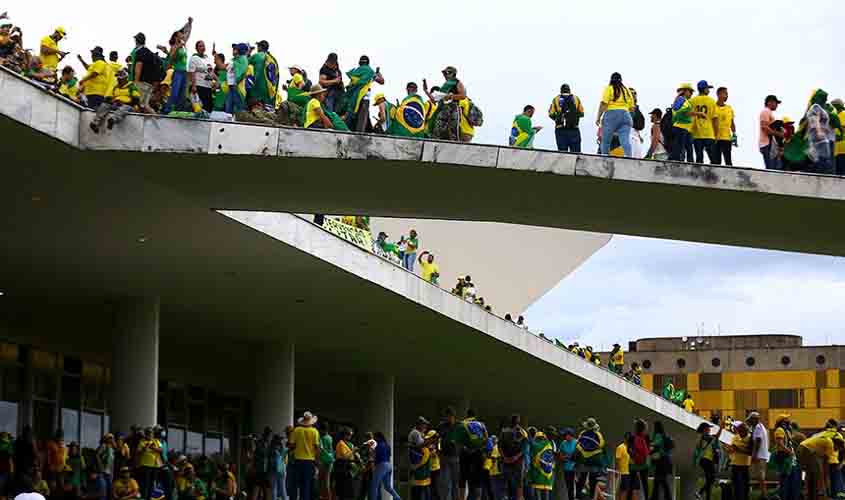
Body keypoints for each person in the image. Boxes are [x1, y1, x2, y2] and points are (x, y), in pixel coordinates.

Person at [89, 69, 140, 133]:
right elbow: (110, 97)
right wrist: (112, 101)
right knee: (105, 105)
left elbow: (136, 100)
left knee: (125, 108)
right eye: (117, 77)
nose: (118, 79)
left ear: (126, 78)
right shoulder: (116, 87)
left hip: (129, 105)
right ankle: (95, 123)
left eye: (120, 78)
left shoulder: (131, 87)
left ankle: (112, 120)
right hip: (116, 104)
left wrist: (124, 102)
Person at [425, 66, 469, 142]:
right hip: (442, 110)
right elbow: (434, 99)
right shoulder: (445, 85)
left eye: (447, 73)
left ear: (453, 74)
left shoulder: (457, 82)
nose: (445, 75)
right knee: (437, 133)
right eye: (444, 73)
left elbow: (463, 95)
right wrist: (426, 90)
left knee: (453, 134)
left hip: (452, 110)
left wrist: (451, 96)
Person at [596, 72, 635, 157]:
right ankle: (629, 157)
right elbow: (632, 108)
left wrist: (598, 118)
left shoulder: (609, 88)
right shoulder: (627, 91)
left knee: (606, 141)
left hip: (611, 115)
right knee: (625, 140)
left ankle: (605, 158)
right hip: (626, 115)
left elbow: (603, 104)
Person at [344, 56, 384, 132]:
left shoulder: (355, 72)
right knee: (362, 117)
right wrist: (378, 73)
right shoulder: (370, 72)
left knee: (354, 115)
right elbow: (382, 81)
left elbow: (351, 85)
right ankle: (360, 134)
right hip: (364, 98)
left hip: (353, 99)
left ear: (359, 63)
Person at [289, 411, 321, 500]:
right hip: (309, 462)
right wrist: (317, 462)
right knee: (306, 486)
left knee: (294, 485)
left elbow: (291, 445)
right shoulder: (315, 432)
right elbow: (317, 448)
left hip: (297, 460)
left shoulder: (296, 430)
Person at [130, 33, 161, 114]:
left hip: (141, 83)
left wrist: (135, 82)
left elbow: (138, 67)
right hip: (149, 83)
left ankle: (158, 121)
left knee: (138, 104)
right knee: (145, 105)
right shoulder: (150, 52)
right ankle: (156, 119)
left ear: (136, 41)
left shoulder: (139, 52)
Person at [159, 29, 188, 114]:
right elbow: (171, 58)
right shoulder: (174, 46)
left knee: (182, 95)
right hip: (178, 72)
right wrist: (177, 47)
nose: (182, 35)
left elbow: (188, 32)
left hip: (184, 72)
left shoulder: (183, 46)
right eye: (180, 33)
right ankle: (167, 110)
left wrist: (190, 24)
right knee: (174, 93)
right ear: (176, 36)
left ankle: (178, 111)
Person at [548, 84, 584, 152]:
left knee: (562, 154)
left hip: (560, 129)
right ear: (569, 90)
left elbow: (551, 114)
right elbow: (582, 113)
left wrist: (559, 118)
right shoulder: (576, 98)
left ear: (561, 91)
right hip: (574, 129)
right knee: (576, 153)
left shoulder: (556, 99)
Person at [669, 83, 701, 162]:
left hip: (685, 128)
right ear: (685, 91)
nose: (691, 94)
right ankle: (674, 162)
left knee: (688, 148)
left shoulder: (684, 100)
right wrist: (698, 113)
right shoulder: (681, 99)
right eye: (690, 91)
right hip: (681, 127)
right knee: (679, 148)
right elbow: (682, 112)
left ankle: (690, 163)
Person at [690, 80, 719, 164]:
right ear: (704, 89)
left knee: (699, 159)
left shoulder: (692, 100)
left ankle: (698, 176)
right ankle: (714, 176)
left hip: (696, 134)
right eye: (708, 88)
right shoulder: (711, 101)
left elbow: (689, 116)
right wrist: (716, 135)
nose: (709, 90)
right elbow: (715, 119)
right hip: (709, 134)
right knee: (713, 159)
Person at [772, 415, 800, 500]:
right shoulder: (779, 430)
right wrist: (789, 451)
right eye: (787, 419)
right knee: (784, 480)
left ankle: (790, 496)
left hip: (789, 457)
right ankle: (783, 496)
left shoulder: (786, 430)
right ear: (782, 421)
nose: (789, 420)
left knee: (791, 478)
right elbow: (780, 443)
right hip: (784, 457)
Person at [693, 422, 721, 500]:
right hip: (705, 459)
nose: (709, 430)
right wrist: (721, 428)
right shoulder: (704, 437)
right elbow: (716, 437)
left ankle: (704, 495)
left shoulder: (707, 437)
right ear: (705, 429)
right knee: (712, 478)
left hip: (708, 460)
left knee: (709, 479)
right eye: (708, 428)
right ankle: (700, 492)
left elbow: (716, 437)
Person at [247, 40, 278, 109]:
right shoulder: (272, 59)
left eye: (258, 46)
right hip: (269, 92)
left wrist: (248, 52)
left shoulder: (257, 55)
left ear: (260, 47)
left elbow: (245, 63)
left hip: (257, 89)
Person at [438, 408, 461, 500]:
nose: (449, 418)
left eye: (451, 416)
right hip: (445, 457)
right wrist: (438, 450)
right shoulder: (441, 426)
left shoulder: (459, 426)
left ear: (454, 417)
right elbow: (437, 439)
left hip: (456, 457)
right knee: (446, 483)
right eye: (447, 416)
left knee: (456, 483)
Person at [370, 432, 401, 500]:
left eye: (374, 437)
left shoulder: (378, 445)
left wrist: (372, 452)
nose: (374, 439)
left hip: (381, 465)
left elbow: (375, 457)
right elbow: (389, 455)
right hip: (389, 465)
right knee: (387, 486)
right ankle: (398, 498)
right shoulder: (387, 445)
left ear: (378, 437)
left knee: (374, 486)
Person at [747, 412, 770, 500]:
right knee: (760, 477)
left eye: (751, 420)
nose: (750, 422)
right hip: (762, 455)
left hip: (759, 456)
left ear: (755, 419)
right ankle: (763, 494)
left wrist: (754, 455)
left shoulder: (757, 428)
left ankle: (764, 495)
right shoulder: (761, 427)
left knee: (760, 477)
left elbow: (758, 441)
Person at [136, 428, 163, 500]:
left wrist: (154, 448)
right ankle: (144, 497)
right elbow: (138, 452)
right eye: (148, 433)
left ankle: (150, 498)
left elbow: (161, 450)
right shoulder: (142, 442)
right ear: (146, 434)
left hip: (155, 465)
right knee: (145, 484)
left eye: (151, 433)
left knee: (152, 484)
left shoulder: (156, 441)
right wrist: (145, 447)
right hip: (145, 466)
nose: (150, 435)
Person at [649, 422, 673, 500]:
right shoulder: (664, 435)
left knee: (660, 479)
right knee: (660, 479)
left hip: (661, 460)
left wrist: (650, 445)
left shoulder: (658, 435)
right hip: (666, 460)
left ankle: (662, 497)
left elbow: (655, 444)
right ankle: (656, 497)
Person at [760, 95, 784, 170]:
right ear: (770, 102)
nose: (777, 105)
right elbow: (764, 127)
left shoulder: (769, 112)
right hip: (767, 144)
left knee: (776, 168)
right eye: (776, 103)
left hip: (771, 145)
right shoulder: (766, 111)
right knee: (771, 169)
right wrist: (779, 134)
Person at [188, 40, 214, 112]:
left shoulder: (207, 59)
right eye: (200, 46)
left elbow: (211, 71)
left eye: (203, 45)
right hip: (199, 86)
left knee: (208, 108)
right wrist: (193, 86)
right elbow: (191, 72)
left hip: (208, 86)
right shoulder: (194, 58)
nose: (202, 47)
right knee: (199, 108)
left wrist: (217, 80)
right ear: (196, 48)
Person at [713, 87, 736, 165]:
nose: (727, 96)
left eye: (727, 94)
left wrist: (734, 134)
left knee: (728, 161)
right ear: (719, 94)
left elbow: (732, 123)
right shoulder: (713, 107)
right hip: (716, 138)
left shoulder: (729, 108)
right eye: (725, 93)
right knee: (716, 161)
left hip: (727, 138)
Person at [729, 422, 752, 500]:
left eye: (742, 431)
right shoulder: (735, 437)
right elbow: (732, 448)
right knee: (735, 483)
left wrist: (739, 449)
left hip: (745, 464)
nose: (740, 433)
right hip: (735, 463)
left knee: (746, 483)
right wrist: (729, 449)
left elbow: (750, 452)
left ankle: (745, 497)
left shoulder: (750, 438)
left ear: (746, 431)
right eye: (739, 431)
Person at [225, 44, 249, 114]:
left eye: (235, 49)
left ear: (240, 50)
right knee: (229, 108)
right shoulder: (236, 59)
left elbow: (240, 73)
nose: (233, 50)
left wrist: (236, 82)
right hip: (232, 87)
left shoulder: (243, 59)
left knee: (239, 109)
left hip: (237, 87)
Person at [630, 420, 650, 500]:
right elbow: (646, 451)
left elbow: (629, 449)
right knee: (645, 483)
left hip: (634, 463)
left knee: (631, 483)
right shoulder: (645, 437)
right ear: (643, 428)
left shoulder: (632, 437)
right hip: (643, 463)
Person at [409, 433, 433, 500]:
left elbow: (423, 461)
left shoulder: (425, 449)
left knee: (422, 494)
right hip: (418, 478)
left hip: (423, 478)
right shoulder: (414, 449)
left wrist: (415, 466)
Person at [333, 428, 355, 500]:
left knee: (348, 490)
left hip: (347, 467)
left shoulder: (349, 444)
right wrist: (353, 451)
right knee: (342, 490)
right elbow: (345, 457)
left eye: (351, 435)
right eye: (349, 435)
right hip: (342, 467)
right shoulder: (341, 444)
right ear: (345, 435)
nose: (350, 437)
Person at [615, 433, 637, 500]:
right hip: (623, 473)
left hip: (631, 472)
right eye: (627, 438)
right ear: (625, 438)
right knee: (623, 491)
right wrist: (618, 472)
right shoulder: (620, 447)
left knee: (632, 491)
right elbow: (617, 460)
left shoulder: (631, 448)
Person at [318, 423, 335, 500]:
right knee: (325, 480)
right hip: (330, 461)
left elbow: (321, 450)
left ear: (323, 430)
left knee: (324, 481)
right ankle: (326, 497)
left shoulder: (323, 438)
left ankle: (327, 497)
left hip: (325, 462)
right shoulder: (330, 437)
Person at [833, 98, 845, 176]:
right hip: (836, 150)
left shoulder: (843, 115)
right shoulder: (836, 115)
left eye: (834, 105)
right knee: (837, 174)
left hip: (842, 150)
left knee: (841, 173)